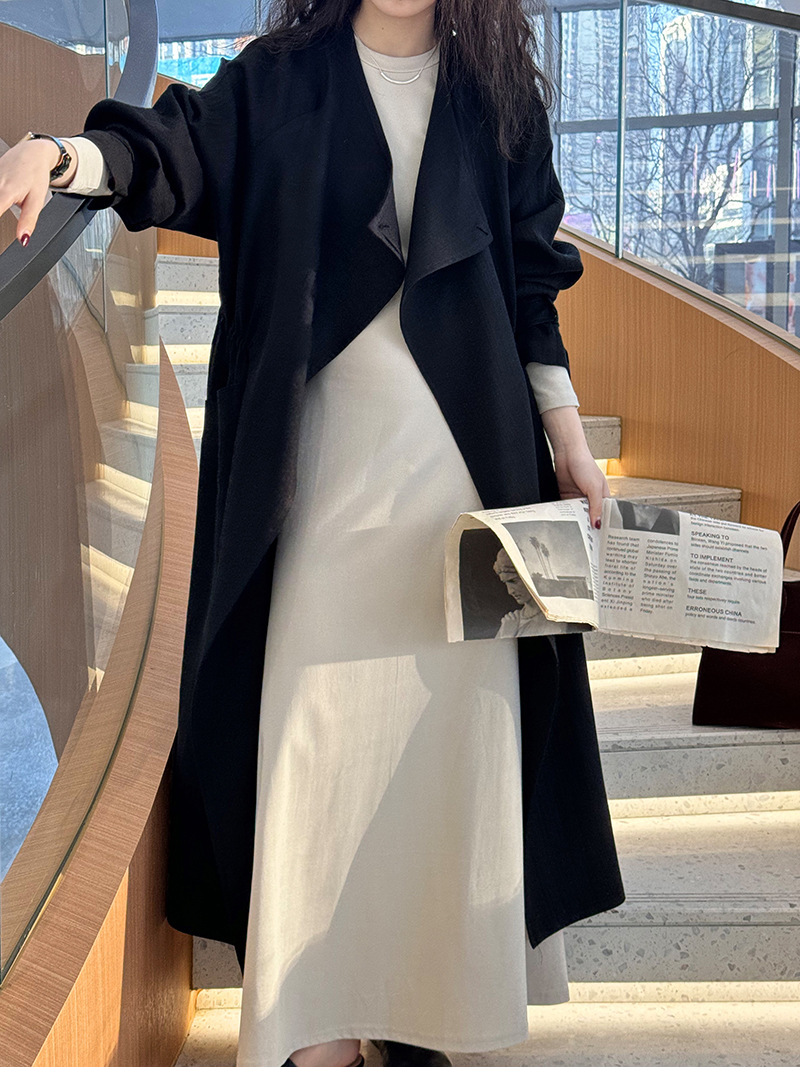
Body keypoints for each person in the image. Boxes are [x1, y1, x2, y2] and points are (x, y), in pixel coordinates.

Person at [0, 3, 622, 1067]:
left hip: (463, 479)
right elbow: (171, 153)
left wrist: (565, 436)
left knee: (442, 754)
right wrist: (58, 156)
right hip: (320, 480)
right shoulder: (281, 77)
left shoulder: (496, 96)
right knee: (315, 740)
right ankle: (315, 1021)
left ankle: (420, 1013)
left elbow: (530, 280)